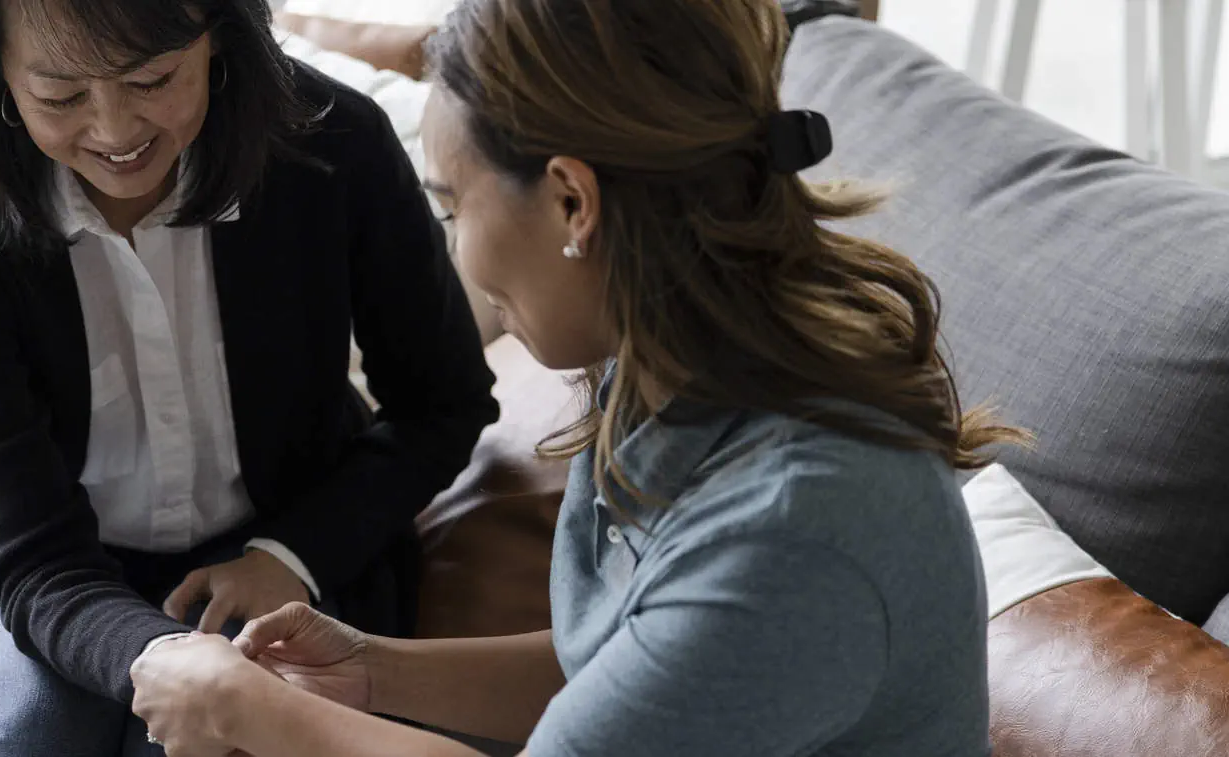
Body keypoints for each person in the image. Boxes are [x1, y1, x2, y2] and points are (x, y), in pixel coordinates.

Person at [128, 0, 1028, 755]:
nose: (457, 250)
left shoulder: (800, 527)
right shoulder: (660, 376)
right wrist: (368, 669)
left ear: (572, 201)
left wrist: (247, 708)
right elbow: (623, 671)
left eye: (453, 206)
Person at [0, 0, 500, 754]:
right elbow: (35, 560)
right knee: (36, 731)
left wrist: (289, 557)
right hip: (36, 560)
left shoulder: (335, 144)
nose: (114, 131)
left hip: (276, 540)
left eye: (153, 81)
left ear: (217, 36)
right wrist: (164, 656)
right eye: (61, 96)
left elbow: (443, 403)